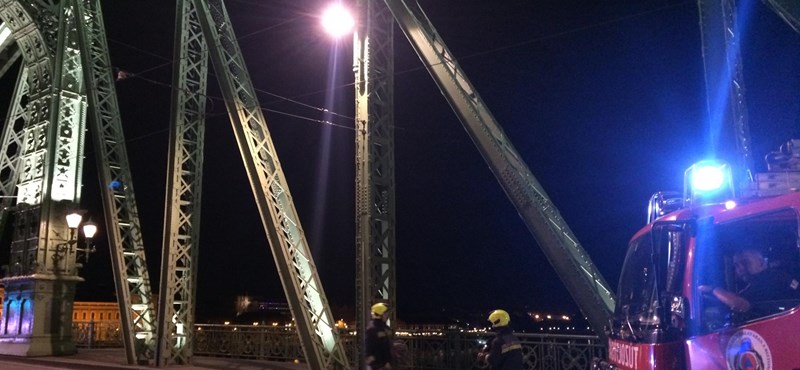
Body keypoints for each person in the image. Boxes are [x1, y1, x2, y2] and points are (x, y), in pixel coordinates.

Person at [699, 248, 800, 316]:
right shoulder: (775, 276)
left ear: (761, 262)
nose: (741, 269)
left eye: (745, 262)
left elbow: (741, 305)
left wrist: (713, 290)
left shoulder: (771, 279)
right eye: (736, 265)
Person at [365, 302, 392, 370]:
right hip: (377, 365)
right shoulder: (373, 328)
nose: (387, 316)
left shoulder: (383, 328)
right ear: (380, 314)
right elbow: (370, 347)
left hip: (383, 364)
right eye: (385, 314)